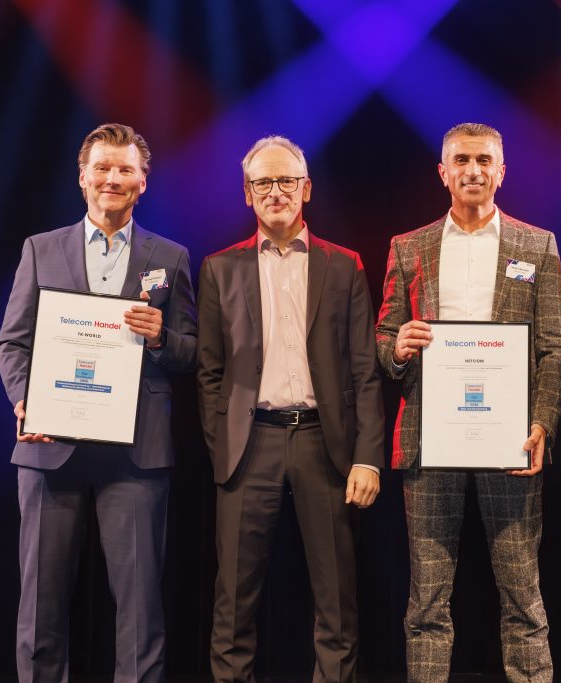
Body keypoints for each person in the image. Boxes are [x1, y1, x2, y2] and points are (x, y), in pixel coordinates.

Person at [0, 122, 197, 683]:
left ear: (143, 181)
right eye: (102, 168)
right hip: (49, 444)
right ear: (82, 177)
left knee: (139, 607)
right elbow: (12, 341)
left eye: (125, 169)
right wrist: (24, 400)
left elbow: (192, 352)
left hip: (135, 452)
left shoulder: (171, 257)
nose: (113, 178)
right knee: (40, 607)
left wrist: (160, 335)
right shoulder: (41, 249)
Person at [375, 122, 561, 683]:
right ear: (443, 172)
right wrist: (399, 348)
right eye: (461, 160)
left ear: (502, 172)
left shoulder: (537, 245)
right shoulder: (408, 248)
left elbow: (556, 348)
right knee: (427, 601)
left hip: (510, 439)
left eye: (484, 160)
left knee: (522, 595)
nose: (473, 170)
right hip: (430, 441)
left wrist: (540, 424)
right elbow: (383, 337)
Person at [196, 135, 384, 683]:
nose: (274, 192)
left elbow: (364, 372)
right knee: (233, 605)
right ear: (247, 194)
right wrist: (223, 444)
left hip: (324, 447)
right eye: (262, 183)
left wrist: (367, 458)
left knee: (337, 605)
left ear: (307, 188)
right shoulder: (219, 269)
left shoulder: (344, 265)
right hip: (247, 447)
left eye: (286, 181)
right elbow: (209, 374)